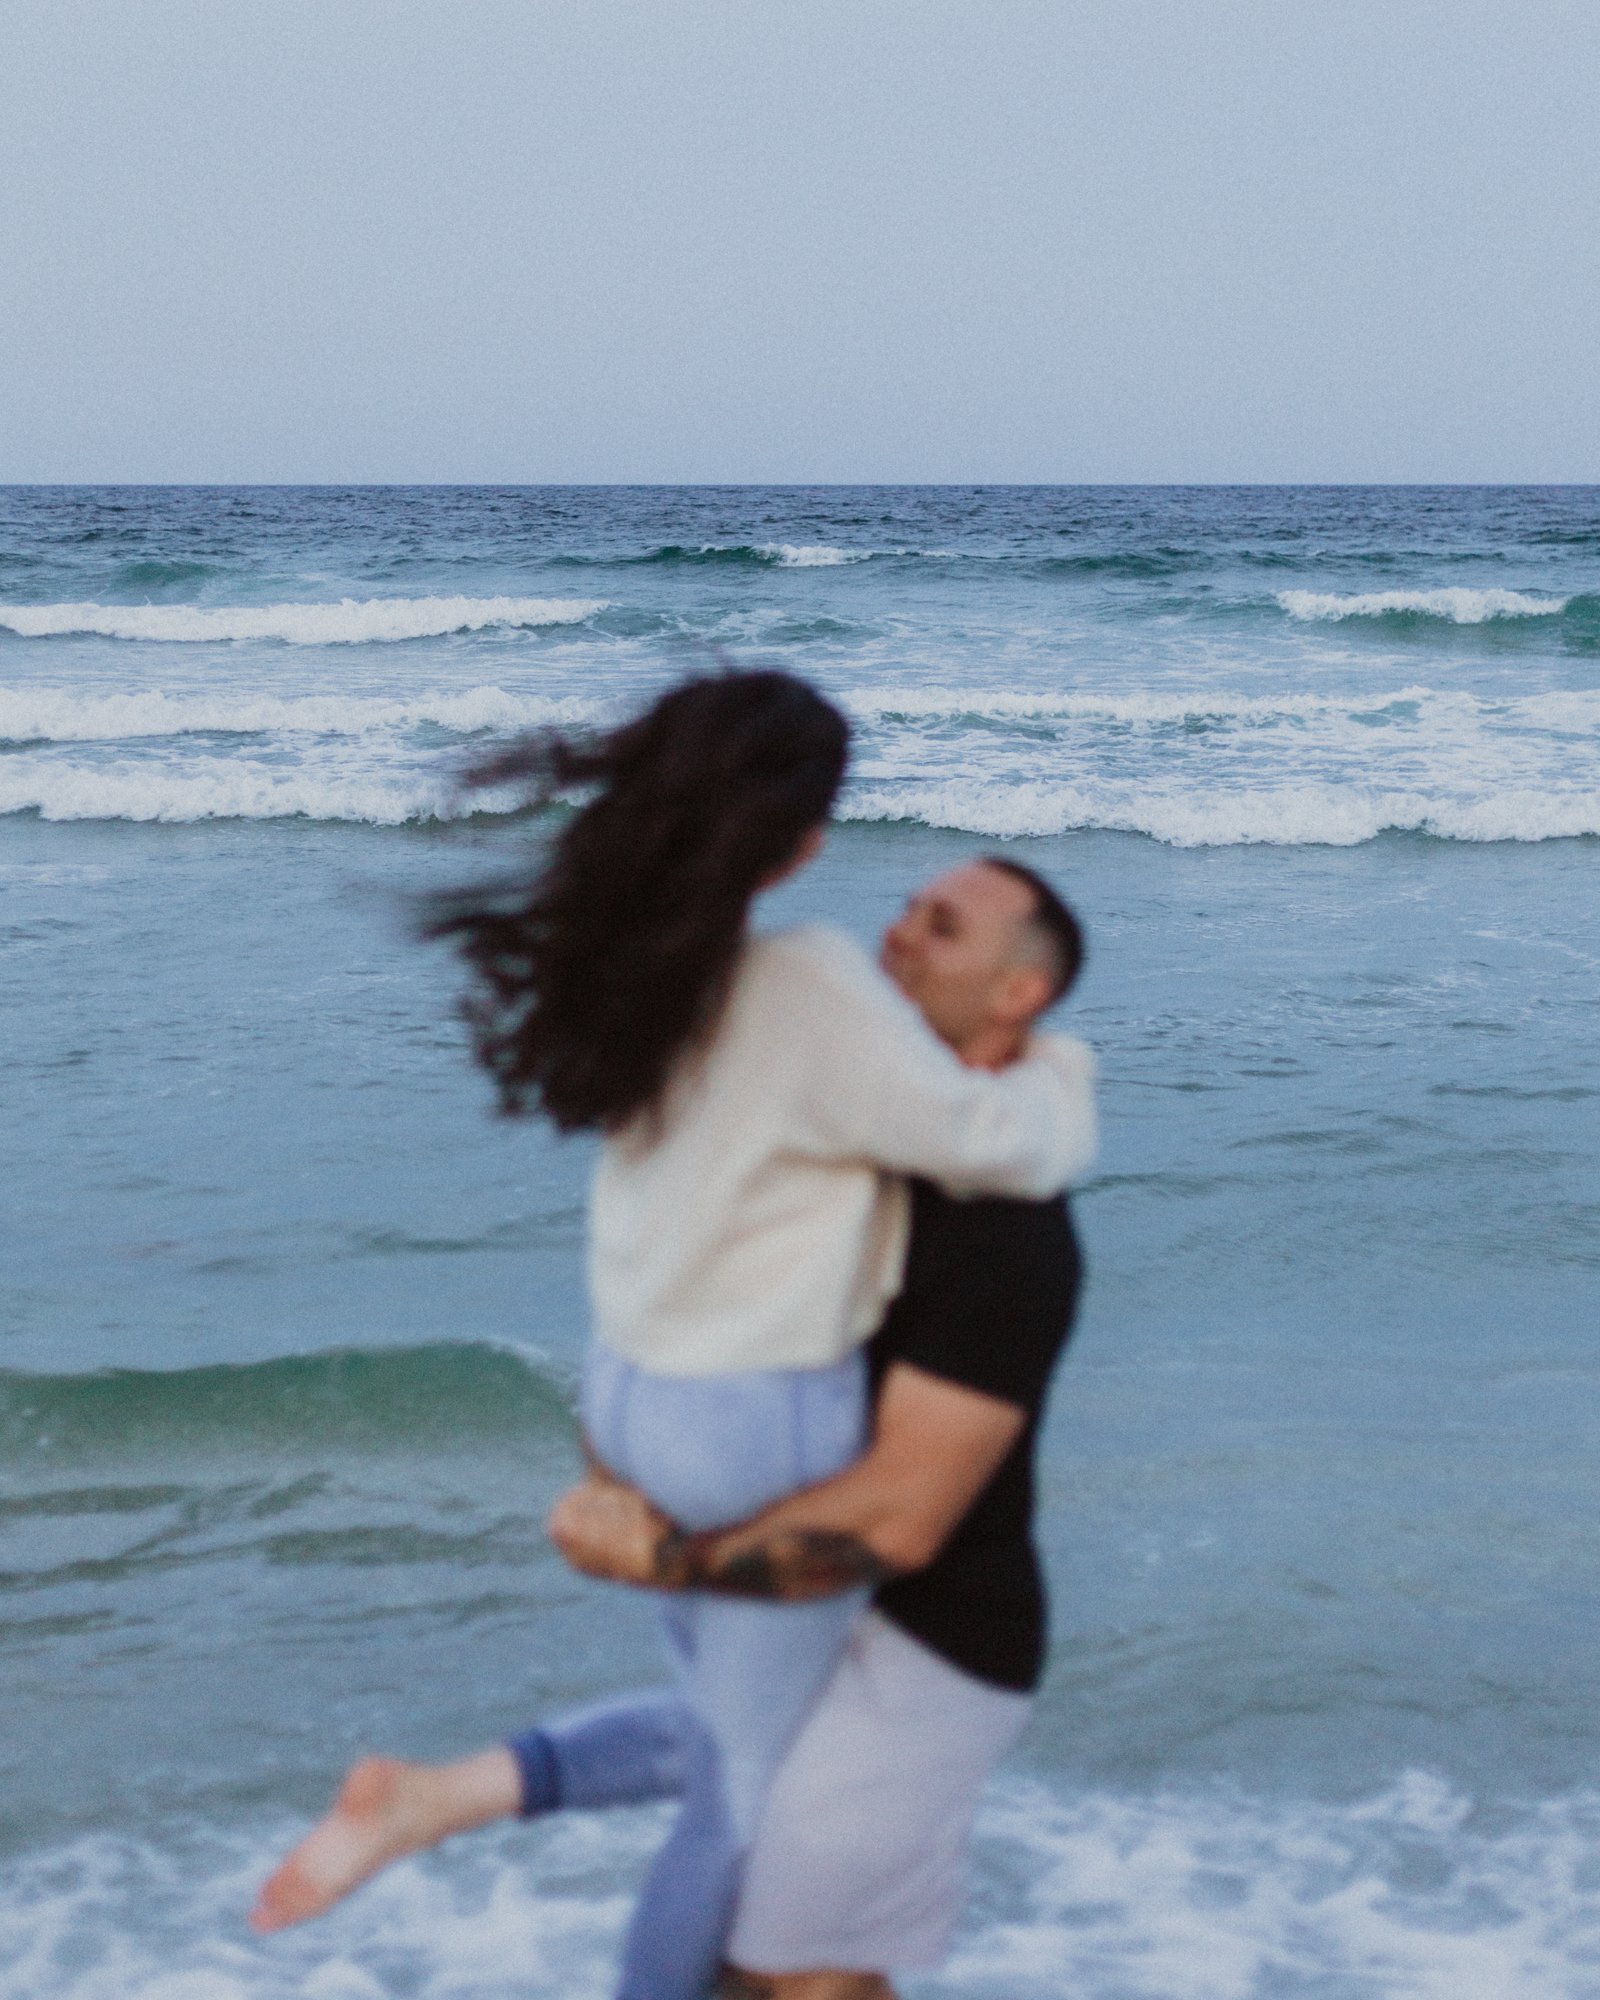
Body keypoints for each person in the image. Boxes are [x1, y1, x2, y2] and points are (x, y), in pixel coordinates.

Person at [253, 672, 1097, 2000]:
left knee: (719, 1739)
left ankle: (431, 1801)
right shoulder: (809, 993)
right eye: (907, 906)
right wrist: (1065, 1068)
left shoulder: (665, 987)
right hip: (749, 1423)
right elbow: (998, 1142)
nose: (896, 936)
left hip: (632, 1401)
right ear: (804, 841)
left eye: (939, 925)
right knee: (739, 1804)